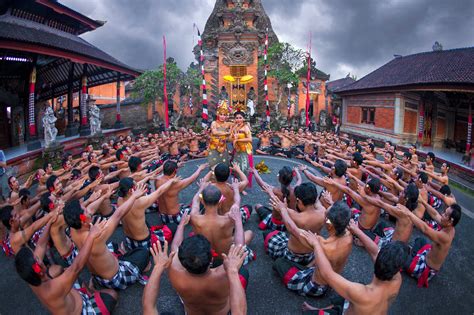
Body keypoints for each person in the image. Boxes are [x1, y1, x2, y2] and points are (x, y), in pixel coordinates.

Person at [300, 222, 409, 314]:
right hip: (370, 307)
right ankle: (320, 309)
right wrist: (356, 230)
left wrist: (316, 245)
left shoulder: (361, 293)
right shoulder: (397, 279)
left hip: (362, 303)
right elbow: (374, 250)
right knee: (343, 298)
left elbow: (327, 274)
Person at [15, 219, 119, 314]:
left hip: (70, 297)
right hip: (82, 311)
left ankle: (90, 291)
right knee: (112, 294)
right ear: (38, 270)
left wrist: (50, 221)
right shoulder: (52, 289)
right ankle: (91, 296)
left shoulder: (31, 277)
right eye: (37, 259)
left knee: (65, 271)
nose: (39, 258)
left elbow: (41, 245)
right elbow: (77, 267)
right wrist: (91, 235)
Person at [64, 184, 149, 290]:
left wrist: (104, 197)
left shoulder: (73, 229)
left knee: (114, 246)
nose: (88, 209)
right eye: (84, 210)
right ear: (82, 218)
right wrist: (134, 196)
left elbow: (90, 210)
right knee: (144, 253)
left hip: (98, 276)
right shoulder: (96, 236)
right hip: (116, 279)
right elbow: (118, 214)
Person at [169, 212, 249, 315]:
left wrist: (181, 225)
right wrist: (238, 221)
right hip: (221, 312)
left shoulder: (174, 270)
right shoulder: (225, 273)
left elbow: (175, 246)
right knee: (243, 272)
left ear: (182, 261)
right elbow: (240, 247)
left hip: (191, 312)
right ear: (211, 260)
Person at [273, 201, 353, 297]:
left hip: (315, 286)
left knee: (278, 262)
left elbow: (293, 230)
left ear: (329, 224)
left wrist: (283, 210)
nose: (323, 217)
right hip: (332, 279)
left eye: (325, 216)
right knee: (308, 264)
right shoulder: (349, 235)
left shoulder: (322, 244)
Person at [189, 180, 254, 265]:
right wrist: (236, 189)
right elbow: (237, 202)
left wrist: (201, 188)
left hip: (205, 256)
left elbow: (195, 201)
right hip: (226, 255)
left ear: (203, 202)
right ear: (220, 203)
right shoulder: (228, 218)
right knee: (250, 233)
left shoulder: (194, 217)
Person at [400, 203, 461, 287]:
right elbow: (435, 214)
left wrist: (408, 213)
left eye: (445, 214)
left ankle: (410, 261)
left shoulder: (445, 236)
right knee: (420, 240)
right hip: (426, 255)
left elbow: (425, 229)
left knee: (400, 258)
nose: (442, 215)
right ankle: (412, 257)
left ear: (450, 221)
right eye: (444, 212)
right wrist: (423, 202)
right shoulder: (449, 226)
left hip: (425, 268)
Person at [264, 183, 325, 265]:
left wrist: (271, 192)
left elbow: (277, 203)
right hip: (311, 254)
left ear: (299, 201)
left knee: (268, 235)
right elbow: (317, 201)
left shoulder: (297, 216)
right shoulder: (323, 212)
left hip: (292, 255)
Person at [252, 166, 301, 231]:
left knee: (257, 206)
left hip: (277, 224)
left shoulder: (274, 191)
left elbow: (261, 182)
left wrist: (255, 172)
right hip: (289, 222)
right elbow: (299, 180)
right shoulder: (296, 189)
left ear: (279, 178)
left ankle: (268, 226)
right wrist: (297, 171)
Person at [231, 111, 253, 182]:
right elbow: (232, 137)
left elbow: (250, 139)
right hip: (237, 150)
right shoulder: (235, 127)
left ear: (243, 119)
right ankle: (237, 182)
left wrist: (238, 140)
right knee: (236, 166)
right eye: (236, 118)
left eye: (240, 118)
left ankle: (243, 183)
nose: (238, 119)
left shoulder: (245, 127)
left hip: (245, 150)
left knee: (244, 167)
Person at [208, 101, 231, 168]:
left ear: (227, 116)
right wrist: (226, 133)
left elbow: (237, 125)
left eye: (224, 115)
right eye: (221, 114)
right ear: (218, 114)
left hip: (223, 146)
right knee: (213, 164)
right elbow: (214, 132)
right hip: (214, 146)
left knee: (223, 164)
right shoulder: (214, 123)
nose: (222, 116)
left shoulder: (228, 124)